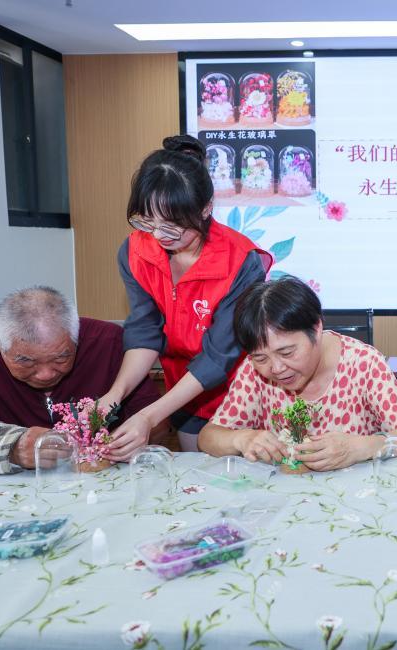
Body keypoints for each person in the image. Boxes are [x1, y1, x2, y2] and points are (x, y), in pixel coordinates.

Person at [101, 135, 272, 459]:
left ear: (206, 209)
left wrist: (149, 416)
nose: (158, 236)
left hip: (238, 391)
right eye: (147, 221)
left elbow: (219, 355)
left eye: (172, 226)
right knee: (193, 475)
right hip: (183, 390)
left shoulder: (240, 261)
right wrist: (114, 396)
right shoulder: (135, 251)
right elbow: (144, 332)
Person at [199, 276, 397, 469]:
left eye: (287, 352)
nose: (276, 368)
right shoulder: (253, 371)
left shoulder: (363, 362)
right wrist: (241, 438)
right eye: (261, 358)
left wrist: (358, 447)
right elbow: (208, 437)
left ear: (316, 328)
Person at [0, 287, 161, 473]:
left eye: (61, 358)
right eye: (26, 361)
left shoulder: (108, 341)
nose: (46, 374)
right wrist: (11, 447)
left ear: (77, 338)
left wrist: (127, 442)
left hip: (103, 476)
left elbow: (158, 423)